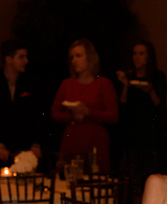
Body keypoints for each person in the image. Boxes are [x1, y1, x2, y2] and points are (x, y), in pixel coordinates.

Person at [50, 38, 118, 173]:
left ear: (90, 57)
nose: (74, 60)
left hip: (95, 141)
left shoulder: (103, 84)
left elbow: (113, 116)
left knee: (95, 182)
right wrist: (71, 116)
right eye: (72, 57)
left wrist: (88, 112)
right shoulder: (67, 84)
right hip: (72, 140)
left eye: (79, 56)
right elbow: (54, 112)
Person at [0, 40, 42, 172]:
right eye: (21, 57)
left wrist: (36, 144)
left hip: (25, 152)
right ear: (8, 59)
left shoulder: (31, 83)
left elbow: (38, 116)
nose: (26, 61)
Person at [116, 41, 167, 201]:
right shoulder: (128, 76)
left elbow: (161, 107)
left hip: (150, 135)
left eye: (141, 53)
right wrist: (125, 85)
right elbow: (122, 106)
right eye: (135, 53)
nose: (137, 57)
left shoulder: (157, 76)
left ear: (149, 56)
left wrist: (150, 90)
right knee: (129, 180)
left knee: (149, 179)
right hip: (131, 135)